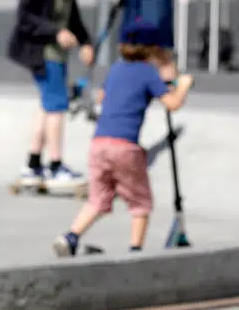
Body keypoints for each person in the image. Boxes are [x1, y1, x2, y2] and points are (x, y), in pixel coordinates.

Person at [53, 43, 193, 256]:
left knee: (98, 200)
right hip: (125, 147)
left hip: (99, 144)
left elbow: (103, 97)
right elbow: (172, 103)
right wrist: (183, 85)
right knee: (141, 203)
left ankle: (71, 237)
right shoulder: (147, 72)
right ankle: (135, 251)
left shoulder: (117, 68)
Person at [6, 0, 94, 193]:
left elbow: (73, 12)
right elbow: (25, 17)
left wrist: (85, 41)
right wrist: (55, 32)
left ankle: (33, 164)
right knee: (57, 106)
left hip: (58, 50)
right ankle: (55, 166)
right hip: (41, 51)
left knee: (48, 106)